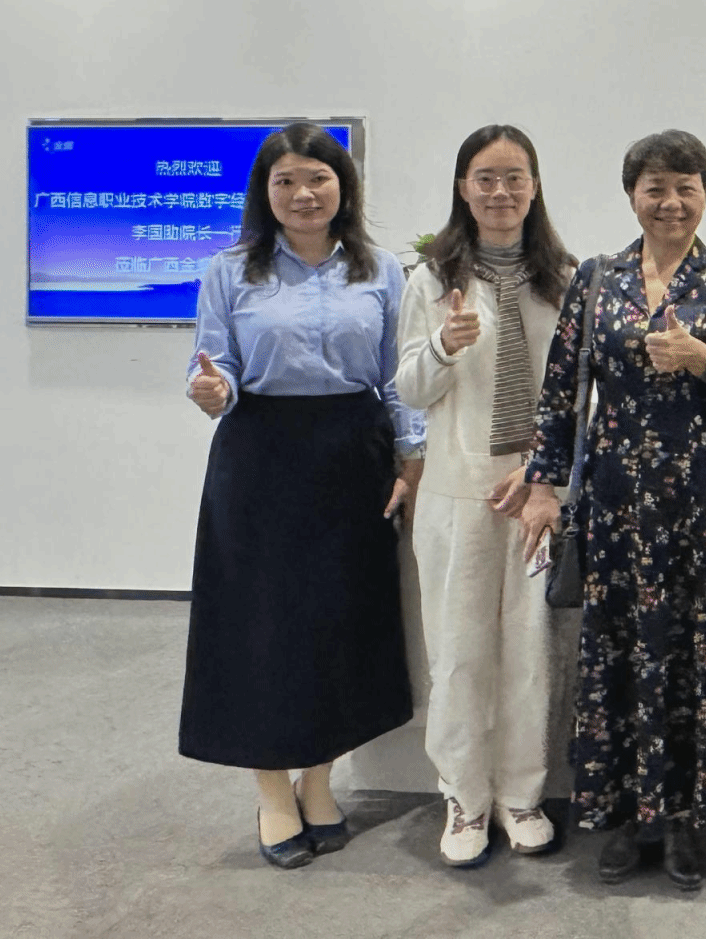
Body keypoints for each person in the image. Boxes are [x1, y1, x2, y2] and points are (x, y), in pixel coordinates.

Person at [516, 130, 706, 891]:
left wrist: (702, 359)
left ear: (705, 193)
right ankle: (630, 816)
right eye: (655, 187)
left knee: (699, 650)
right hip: (617, 498)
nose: (671, 202)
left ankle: (692, 818)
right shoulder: (597, 278)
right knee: (626, 649)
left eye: (685, 187)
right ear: (632, 194)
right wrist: (544, 485)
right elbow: (561, 391)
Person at [178, 122, 424, 869]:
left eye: (317, 178)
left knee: (339, 622)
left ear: (343, 186)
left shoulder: (381, 270)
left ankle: (318, 782)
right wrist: (210, 390)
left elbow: (398, 376)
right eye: (285, 180)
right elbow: (213, 366)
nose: (303, 193)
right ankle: (272, 793)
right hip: (260, 457)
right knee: (259, 627)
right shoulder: (229, 270)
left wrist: (410, 458)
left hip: (353, 454)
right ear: (265, 192)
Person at [396, 125, 576, 867]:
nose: (501, 192)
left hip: (536, 494)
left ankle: (521, 795)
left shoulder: (563, 277)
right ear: (462, 188)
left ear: (534, 187)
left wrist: (544, 474)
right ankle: (464, 798)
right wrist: (445, 345)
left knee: (531, 654)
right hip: (457, 493)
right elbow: (409, 388)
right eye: (485, 178)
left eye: (514, 177)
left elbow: (578, 393)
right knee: (459, 652)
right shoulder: (431, 279)